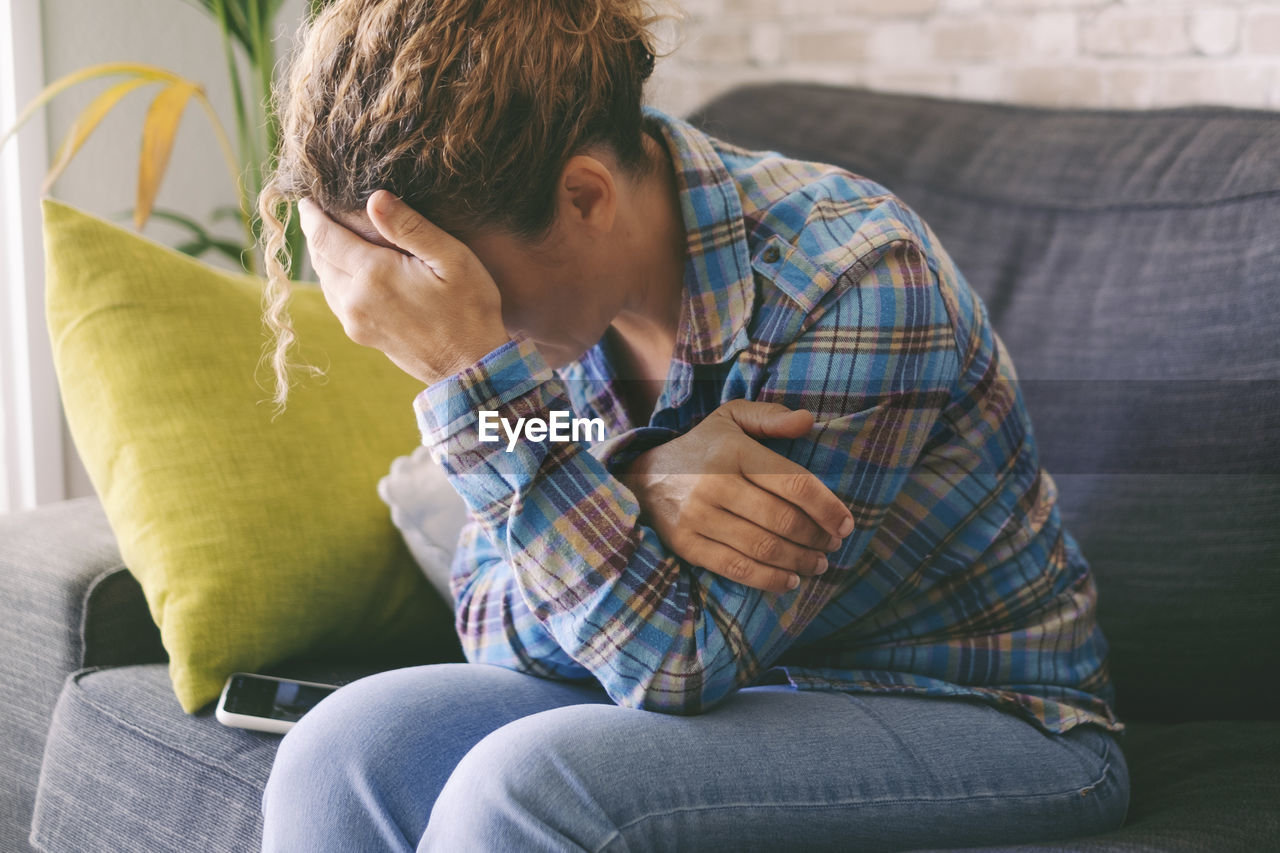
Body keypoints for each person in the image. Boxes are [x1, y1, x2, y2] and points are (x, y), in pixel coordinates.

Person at [255, 1, 1129, 850]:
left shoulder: (851, 284)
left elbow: (675, 658)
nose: (476, 332)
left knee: (528, 788)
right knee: (338, 753)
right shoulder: (555, 297)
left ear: (585, 198)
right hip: (740, 692)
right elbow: (486, 612)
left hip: (981, 716)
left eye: (478, 303)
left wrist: (474, 376)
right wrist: (638, 479)